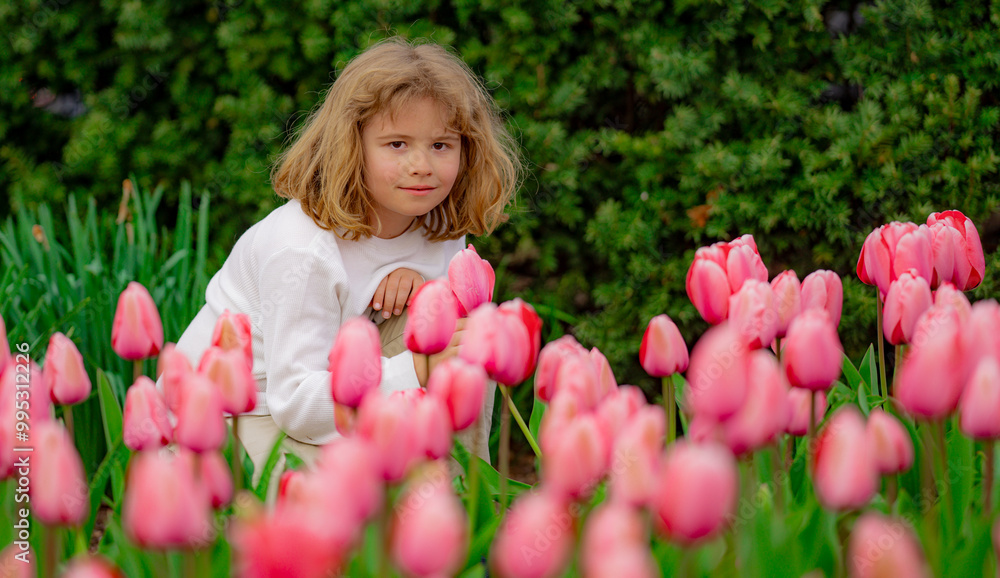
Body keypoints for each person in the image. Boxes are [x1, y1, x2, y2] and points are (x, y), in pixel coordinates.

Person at [173, 37, 522, 485]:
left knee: (467, 339)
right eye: (396, 144)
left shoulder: (439, 223)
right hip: (247, 410)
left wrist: (423, 289)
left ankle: (466, 491)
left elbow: (436, 332)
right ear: (350, 146)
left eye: (441, 145)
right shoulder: (303, 250)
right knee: (344, 505)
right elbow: (296, 406)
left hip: (342, 383)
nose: (422, 165)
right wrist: (416, 367)